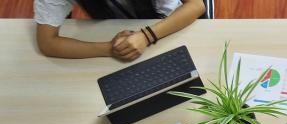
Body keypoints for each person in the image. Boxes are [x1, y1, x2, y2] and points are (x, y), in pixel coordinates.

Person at [34, 0, 206, 61]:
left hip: (173, 18)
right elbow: (47, 42)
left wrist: (146, 36)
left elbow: (195, 5)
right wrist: (110, 48)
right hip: (118, 24)